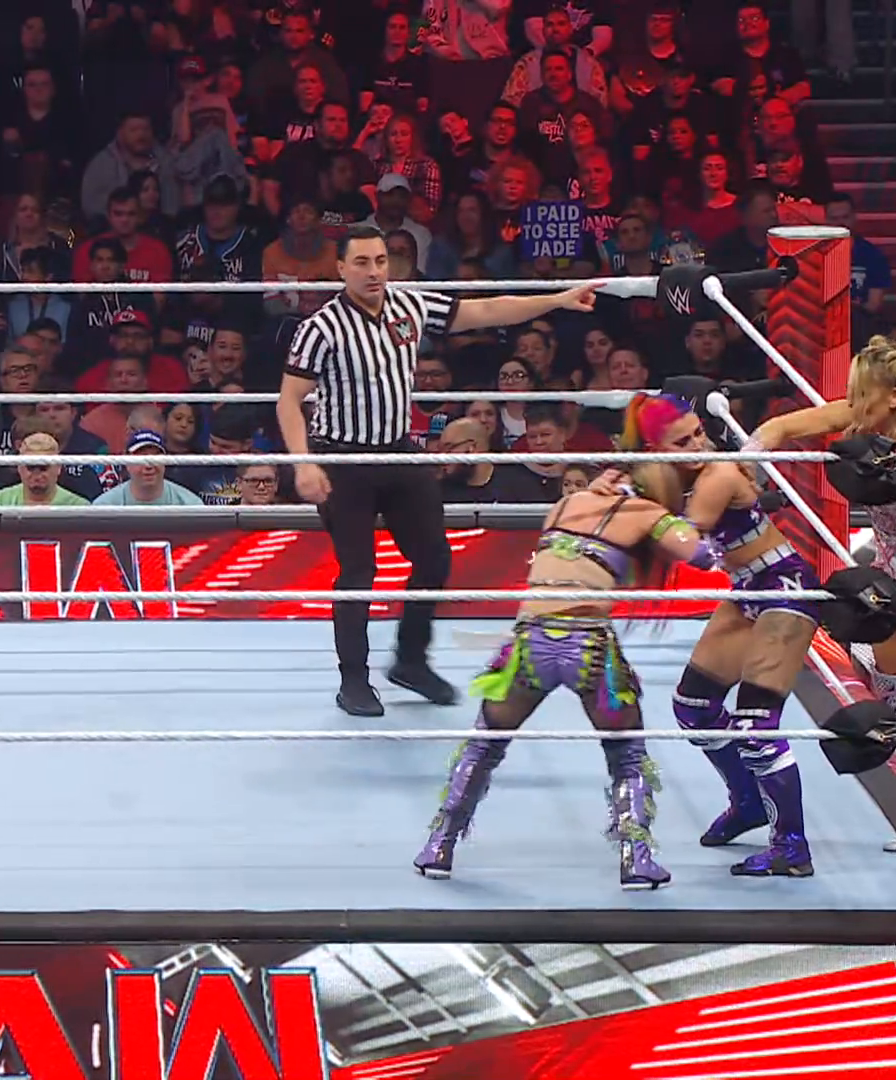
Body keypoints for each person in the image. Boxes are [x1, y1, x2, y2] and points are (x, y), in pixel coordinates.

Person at [278, 223, 597, 717]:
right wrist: (304, 464)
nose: (373, 271)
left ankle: (411, 660)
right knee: (359, 571)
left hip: (398, 452)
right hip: (342, 459)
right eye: (361, 262)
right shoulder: (321, 328)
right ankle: (353, 680)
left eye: (380, 261)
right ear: (340, 268)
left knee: (434, 557)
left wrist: (556, 299)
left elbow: (485, 311)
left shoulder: (410, 305)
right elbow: (289, 400)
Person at [416, 461, 721, 889]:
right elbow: (702, 556)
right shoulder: (648, 514)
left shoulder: (566, 504)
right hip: (588, 646)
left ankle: (438, 846)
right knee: (627, 753)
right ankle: (636, 859)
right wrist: (701, 510)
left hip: (530, 643)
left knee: (485, 742)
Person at [750, 337, 896, 859]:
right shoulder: (862, 421)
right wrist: (755, 450)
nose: (853, 404)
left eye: (863, 393)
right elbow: (788, 425)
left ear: (895, 396)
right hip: (893, 570)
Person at [613, 393, 819, 878]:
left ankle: (792, 847)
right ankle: (748, 802)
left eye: (698, 433)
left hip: (785, 589)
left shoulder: (719, 474)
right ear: (656, 449)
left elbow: (687, 540)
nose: (698, 445)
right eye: (682, 441)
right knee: (694, 707)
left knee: (755, 727)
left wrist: (625, 510)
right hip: (747, 589)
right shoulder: (667, 476)